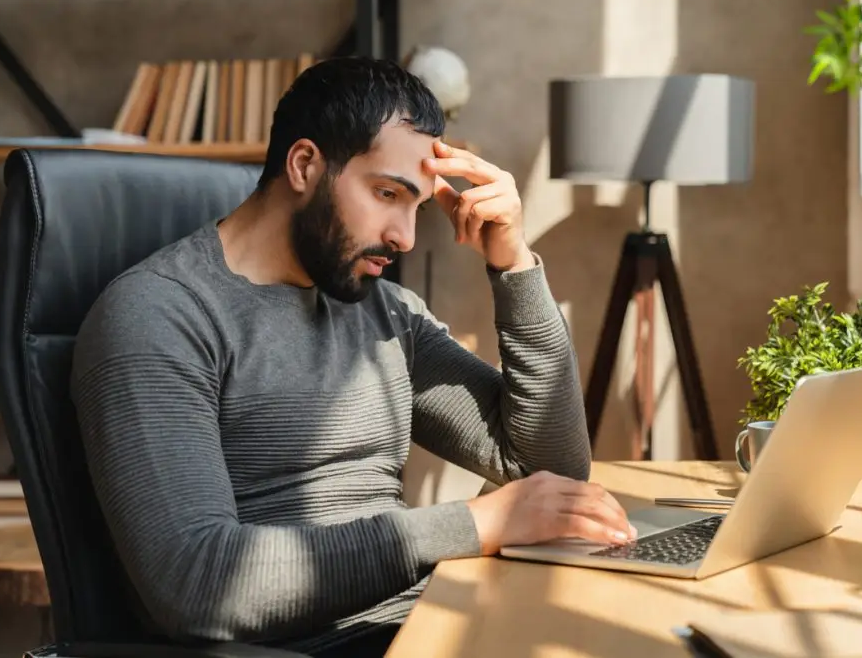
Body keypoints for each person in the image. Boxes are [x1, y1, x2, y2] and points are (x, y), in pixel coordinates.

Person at [69, 56, 635, 657]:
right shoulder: (158, 314)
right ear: (305, 165)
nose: (406, 237)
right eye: (387, 193)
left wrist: (513, 264)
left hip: (425, 625)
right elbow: (198, 583)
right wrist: (479, 525)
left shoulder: (383, 310)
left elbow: (545, 468)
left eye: (415, 205)